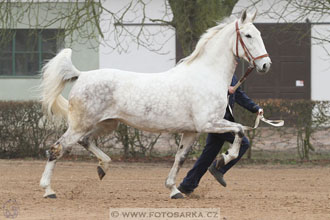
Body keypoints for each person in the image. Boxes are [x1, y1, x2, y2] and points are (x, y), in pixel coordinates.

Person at [178, 74, 263, 194]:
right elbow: (205, 90)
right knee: (243, 142)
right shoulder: (213, 73)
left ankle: (187, 185)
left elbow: (238, 95)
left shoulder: (232, 76)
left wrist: (255, 108)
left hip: (224, 120)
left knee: (207, 156)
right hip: (216, 121)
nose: (236, 62)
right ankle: (219, 168)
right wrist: (224, 90)